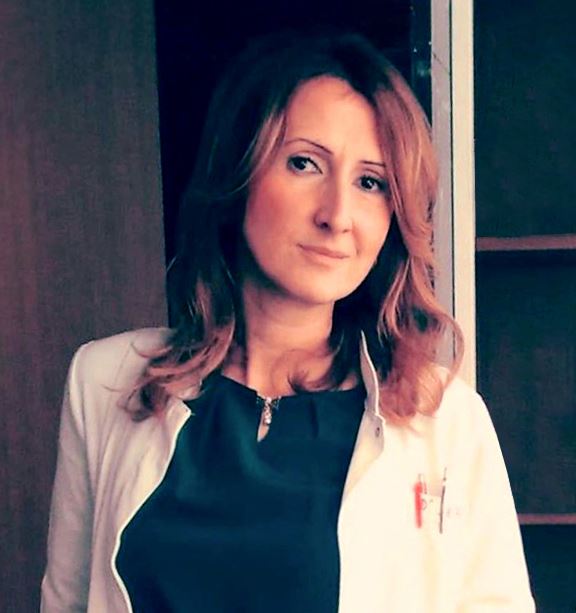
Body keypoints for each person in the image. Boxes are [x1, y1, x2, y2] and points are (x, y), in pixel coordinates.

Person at [41, 30, 535, 612]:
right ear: (239, 171)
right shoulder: (105, 382)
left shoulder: (444, 421)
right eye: (304, 163)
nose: (337, 215)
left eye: (371, 182)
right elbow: (66, 602)